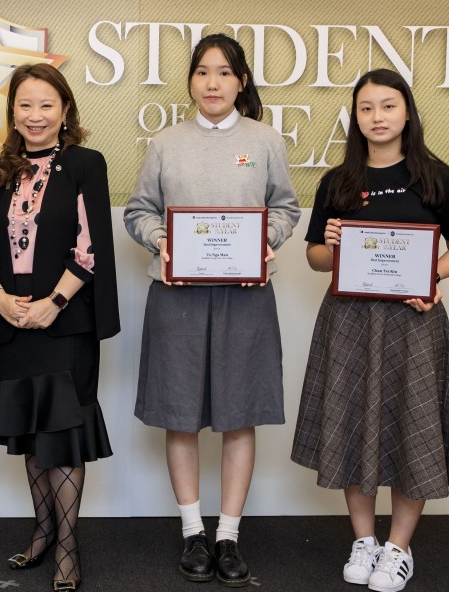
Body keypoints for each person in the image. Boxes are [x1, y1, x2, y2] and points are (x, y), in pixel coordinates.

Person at [124, 33, 300, 588]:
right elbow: (139, 211)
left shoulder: (265, 141)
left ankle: (228, 535)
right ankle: (192, 532)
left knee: (238, 412)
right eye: (203, 72)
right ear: (192, 81)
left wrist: (265, 240)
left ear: (241, 82)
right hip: (177, 294)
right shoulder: (165, 143)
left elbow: (286, 207)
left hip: (245, 295)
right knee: (180, 411)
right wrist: (162, 241)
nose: (213, 83)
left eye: (224, 73)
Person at [290, 69, 449, 592]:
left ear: (407, 112)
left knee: (412, 425)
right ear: (356, 117)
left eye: (388, 106)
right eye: (366, 107)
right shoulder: (337, 181)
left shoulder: (437, 177)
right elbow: (315, 258)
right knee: (350, 422)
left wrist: (431, 277)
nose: (377, 117)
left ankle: (398, 548)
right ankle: (364, 541)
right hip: (349, 321)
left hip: (415, 321)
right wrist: (329, 244)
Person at [0, 64, 119, 592]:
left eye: (47, 105)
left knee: (64, 435)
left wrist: (54, 302)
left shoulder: (85, 164)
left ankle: (68, 550)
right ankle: (43, 529)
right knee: (30, 429)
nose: (35, 115)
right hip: (14, 319)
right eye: (25, 105)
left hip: (64, 321)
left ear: (65, 109)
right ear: (13, 112)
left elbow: (91, 245)